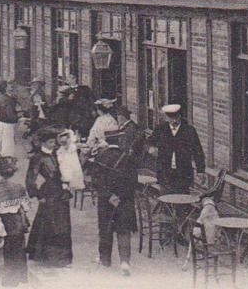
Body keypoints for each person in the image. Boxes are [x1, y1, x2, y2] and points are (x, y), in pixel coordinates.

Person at [94, 104, 144, 275]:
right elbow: (133, 182)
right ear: (120, 140)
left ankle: (105, 259)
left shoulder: (101, 157)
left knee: (105, 229)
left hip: (106, 201)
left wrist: (109, 195)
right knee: (123, 231)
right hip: (124, 201)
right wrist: (120, 195)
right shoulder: (128, 158)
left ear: (107, 141)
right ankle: (124, 262)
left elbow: (96, 182)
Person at [26, 127, 73, 267]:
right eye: (51, 142)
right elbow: (30, 178)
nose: (54, 144)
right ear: (44, 143)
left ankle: (62, 257)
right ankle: (48, 257)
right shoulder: (37, 157)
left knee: (63, 223)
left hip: (61, 192)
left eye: (54, 142)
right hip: (48, 193)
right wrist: (37, 195)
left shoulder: (56, 154)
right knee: (49, 223)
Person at [0, 156, 30, 286]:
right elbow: (26, 207)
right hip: (16, 221)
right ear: (14, 172)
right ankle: (15, 279)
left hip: (0, 222)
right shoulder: (19, 188)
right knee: (16, 251)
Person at [147, 103, 205, 196]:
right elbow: (150, 141)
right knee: (166, 199)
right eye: (170, 118)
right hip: (165, 172)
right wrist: (151, 148)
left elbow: (198, 152)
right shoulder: (161, 129)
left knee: (182, 200)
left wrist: (200, 170)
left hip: (183, 173)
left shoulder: (189, 131)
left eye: (176, 118)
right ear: (166, 117)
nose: (173, 121)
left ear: (180, 116)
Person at [56, 128, 85, 196]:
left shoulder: (70, 146)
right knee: (67, 168)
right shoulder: (65, 148)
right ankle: (66, 183)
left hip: (69, 158)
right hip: (67, 160)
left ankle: (68, 182)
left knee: (72, 169)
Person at [0, 82, 20, 157]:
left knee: (4, 141)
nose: (11, 86)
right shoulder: (7, 99)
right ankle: (7, 159)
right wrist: (17, 118)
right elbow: (9, 113)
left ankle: (4, 156)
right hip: (8, 123)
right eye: (9, 85)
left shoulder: (3, 97)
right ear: (6, 88)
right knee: (8, 142)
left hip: (4, 122)